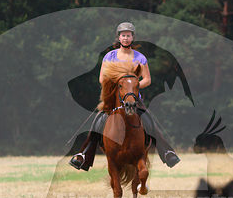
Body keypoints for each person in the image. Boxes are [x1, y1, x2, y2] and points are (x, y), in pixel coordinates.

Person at [69, 22, 180, 170]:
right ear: (119, 38)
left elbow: (147, 79)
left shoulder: (140, 57)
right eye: (123, 35)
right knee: (97, 121)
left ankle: (167, 152)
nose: (126, 38)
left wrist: (132, 86)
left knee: (150, 121)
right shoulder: (110, 56)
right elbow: (102, 79)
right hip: (114, 97)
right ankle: (84, 154)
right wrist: (119, 86)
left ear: (133, 37)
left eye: (128, 35)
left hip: (133, 97)